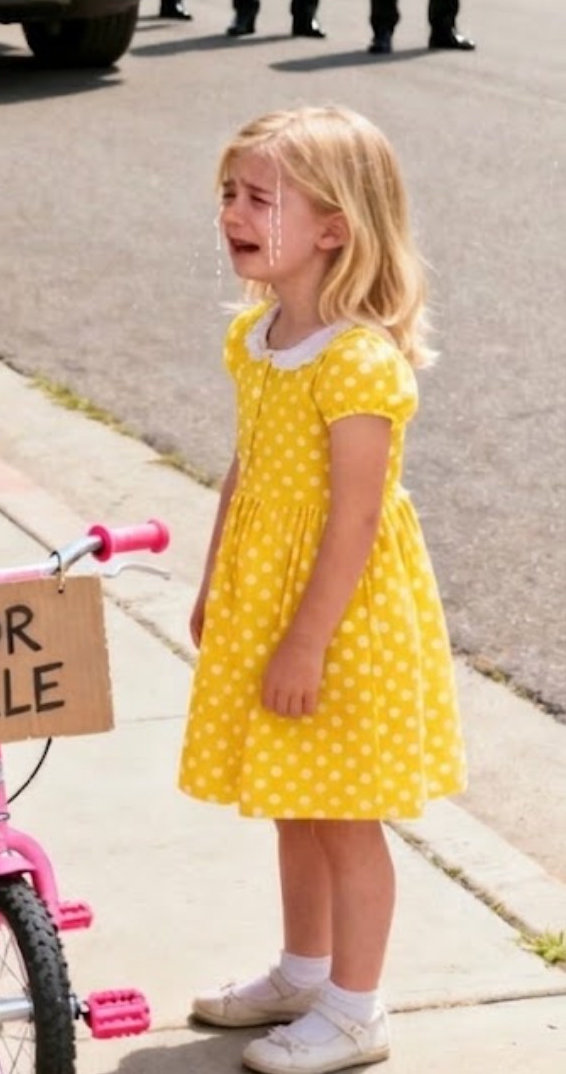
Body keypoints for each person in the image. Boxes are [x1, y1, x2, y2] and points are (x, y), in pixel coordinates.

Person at [179, 105, 465, 1074]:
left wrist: (305, 640)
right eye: (229, 193)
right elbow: (242, 472)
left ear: (334, 227)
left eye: (260, 197)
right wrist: (216, 577)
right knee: (291, 800)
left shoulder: (356, 361)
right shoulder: (256, 340)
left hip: (342, 621)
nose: (233, 212)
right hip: (273, 603)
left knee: (345, 815)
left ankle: (356, 1008)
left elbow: (354, 518)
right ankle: (303, 971)